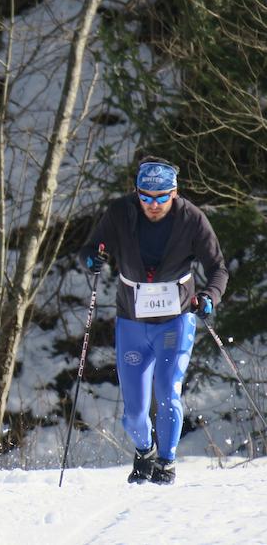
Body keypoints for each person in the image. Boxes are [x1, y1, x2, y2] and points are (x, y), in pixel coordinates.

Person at [79, 156, 228, 485]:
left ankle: (167, 461)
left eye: (162, 198)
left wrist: (209, 297)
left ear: (174, 193)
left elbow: (218, 268)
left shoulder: (192, 219)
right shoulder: (120, 212)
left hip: (175, 320)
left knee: (167, 391)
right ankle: (145, 450)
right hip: (132, 322)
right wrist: (92, 257)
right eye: (146, 197)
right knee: (133, 411)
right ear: (136, 193)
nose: (154, 205)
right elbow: (92, 247)